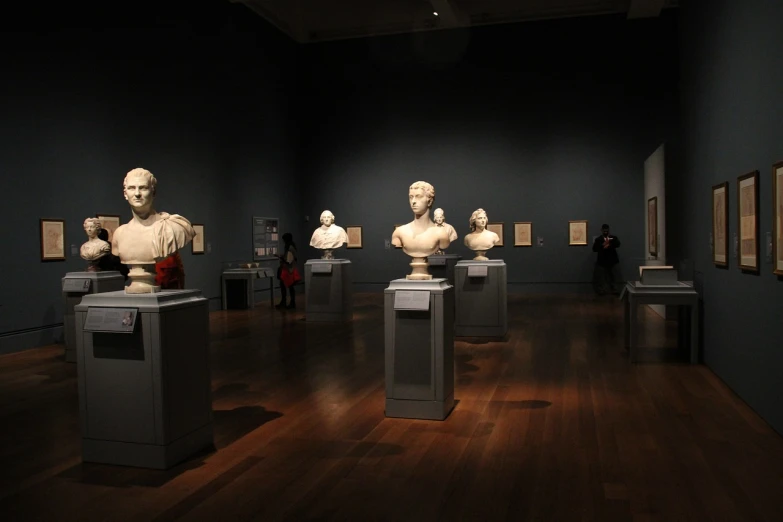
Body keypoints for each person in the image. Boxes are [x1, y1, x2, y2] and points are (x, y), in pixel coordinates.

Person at [592, 223, 621, 294]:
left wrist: (609, 244)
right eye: (604, 231)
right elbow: (594, 249)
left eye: (606, 231)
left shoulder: (613, 238)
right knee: (602, 277)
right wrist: (603, 245)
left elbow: (618, 244)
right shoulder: (598, 239)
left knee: (613, 276)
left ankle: (614, 289)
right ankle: (602, 290)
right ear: (601, 230)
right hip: (602, 261)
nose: (605, 232)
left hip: (611, 261)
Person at [276, 232, 300, 309]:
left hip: (288, 270)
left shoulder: (289, 247)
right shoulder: (292, 246)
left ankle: (285, 302)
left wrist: (280, 257)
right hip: (291, 269)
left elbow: (288, 260)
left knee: (285, 286)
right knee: (290, 287)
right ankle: (291, 302)